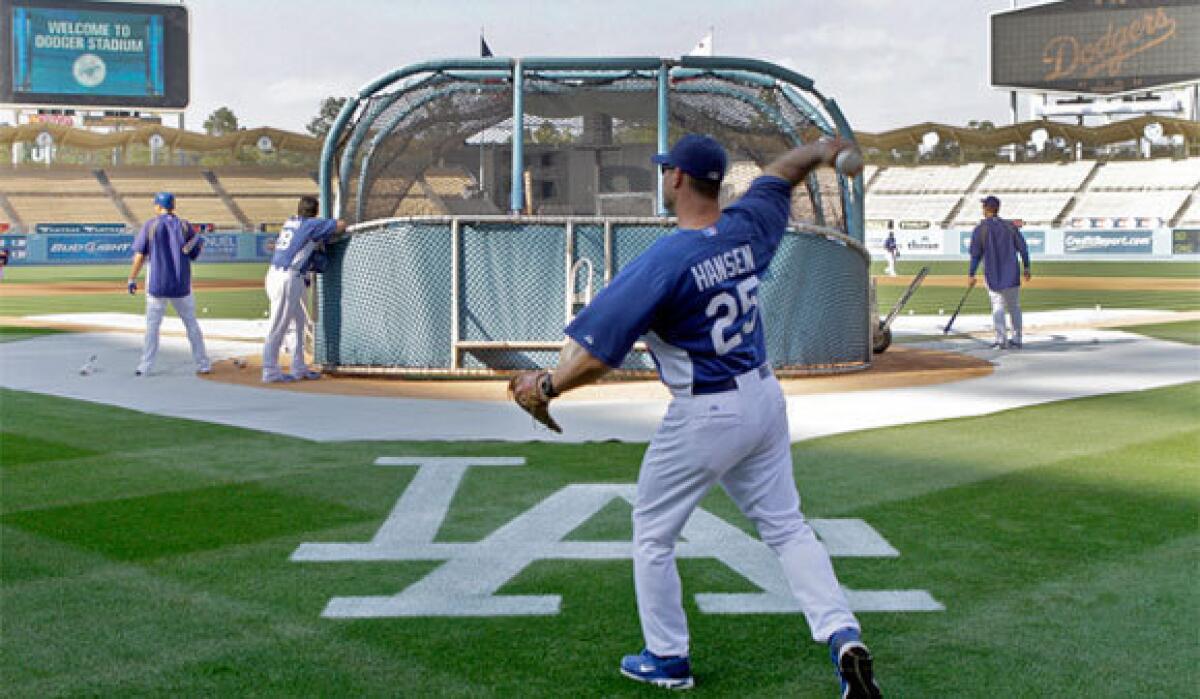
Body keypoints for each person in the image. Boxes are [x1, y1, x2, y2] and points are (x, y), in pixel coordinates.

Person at [510, 135, 881, 697]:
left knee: (653, 534)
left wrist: (544, 385)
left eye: (666, 172)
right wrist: (822, 150)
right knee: (786, 526)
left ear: (678, 179)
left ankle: (667, 657)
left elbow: (595, 354)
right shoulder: (746, 227)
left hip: (706, 411)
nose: (664, 179)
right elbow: (783, 172)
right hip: (762, 396)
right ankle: (842, 634)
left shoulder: (664, 261)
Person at [262, 195, 345, 383]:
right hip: (287, 277)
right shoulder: (310, 225)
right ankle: (269, 370)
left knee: (299, 323)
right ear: (315, 212)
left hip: (283, 275)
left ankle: (299, 367)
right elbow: (341, 225)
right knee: (278, 326)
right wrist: (327, 229)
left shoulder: (291, 221)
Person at [126, 192, 211, 376]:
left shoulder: (151, 225)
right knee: (191, 324)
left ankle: (145, 366)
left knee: (153, 327)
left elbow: (140, 255)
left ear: (158, 206)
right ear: (173, 206)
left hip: (157, 284)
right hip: (181, 284)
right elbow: (195, 252)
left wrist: (132, 278)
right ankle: (203, 363)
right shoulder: (184, 226)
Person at [968, 195, 1031, 349]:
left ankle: (1001, 340)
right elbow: (1023, 248)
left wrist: (971, 274)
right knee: (1014, 306)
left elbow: (975, 255)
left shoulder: (980, 229)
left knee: (998, 306)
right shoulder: (1010, 227)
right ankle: (1017, 339)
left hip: (993, 274)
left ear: (986, 209)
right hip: (1012, 274)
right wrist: (1027, 267)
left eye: (983, 206)